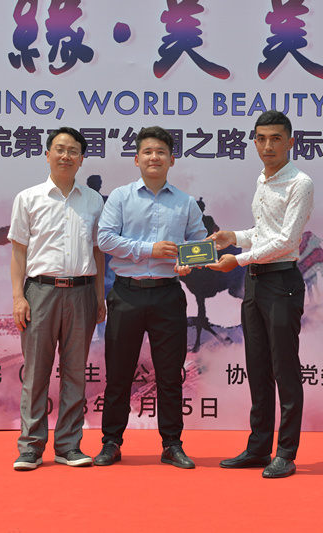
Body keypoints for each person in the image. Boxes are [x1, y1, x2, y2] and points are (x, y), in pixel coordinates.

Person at [208, 110, 314, 478]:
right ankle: (258, 448)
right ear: (254, 142)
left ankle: (285, 452)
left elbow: (286, 240)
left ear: (290, 142)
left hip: (282, 282)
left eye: (276, 139)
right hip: (255, 282)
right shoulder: (263, 179)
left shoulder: (300, 183)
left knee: (284, 368)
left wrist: (237, 259)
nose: (268, 146)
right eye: (261, 138)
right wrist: (233, 237)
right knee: (257, 367)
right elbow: (263, 231)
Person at [94, 126, 206, 469]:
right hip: (126, 294)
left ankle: (172, 444)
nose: (154, 157)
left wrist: (190, 262)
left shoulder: (186, 202)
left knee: (170, 375)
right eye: (147, 151)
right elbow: (105, 239)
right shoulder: (120, 198)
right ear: (137, 159)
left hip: (168, 295)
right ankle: (111, 442)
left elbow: (199, 245)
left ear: (172, 159)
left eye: (161, 152)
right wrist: (149, 249)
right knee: (119, 373)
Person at [8, 127, 106, 471]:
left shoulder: (93, 201)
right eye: (60, 149)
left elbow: (98, 251)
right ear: (47, 154)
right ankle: (30, 448)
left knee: (75, 373)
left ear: (81, 159)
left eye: (73, 150)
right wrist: (18, 297)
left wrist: (99, 297)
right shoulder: (28, 198)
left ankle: (68, 445)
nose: (66, 156)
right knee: (36, 373)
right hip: (40, 293)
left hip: (82, 293)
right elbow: (18, 251)